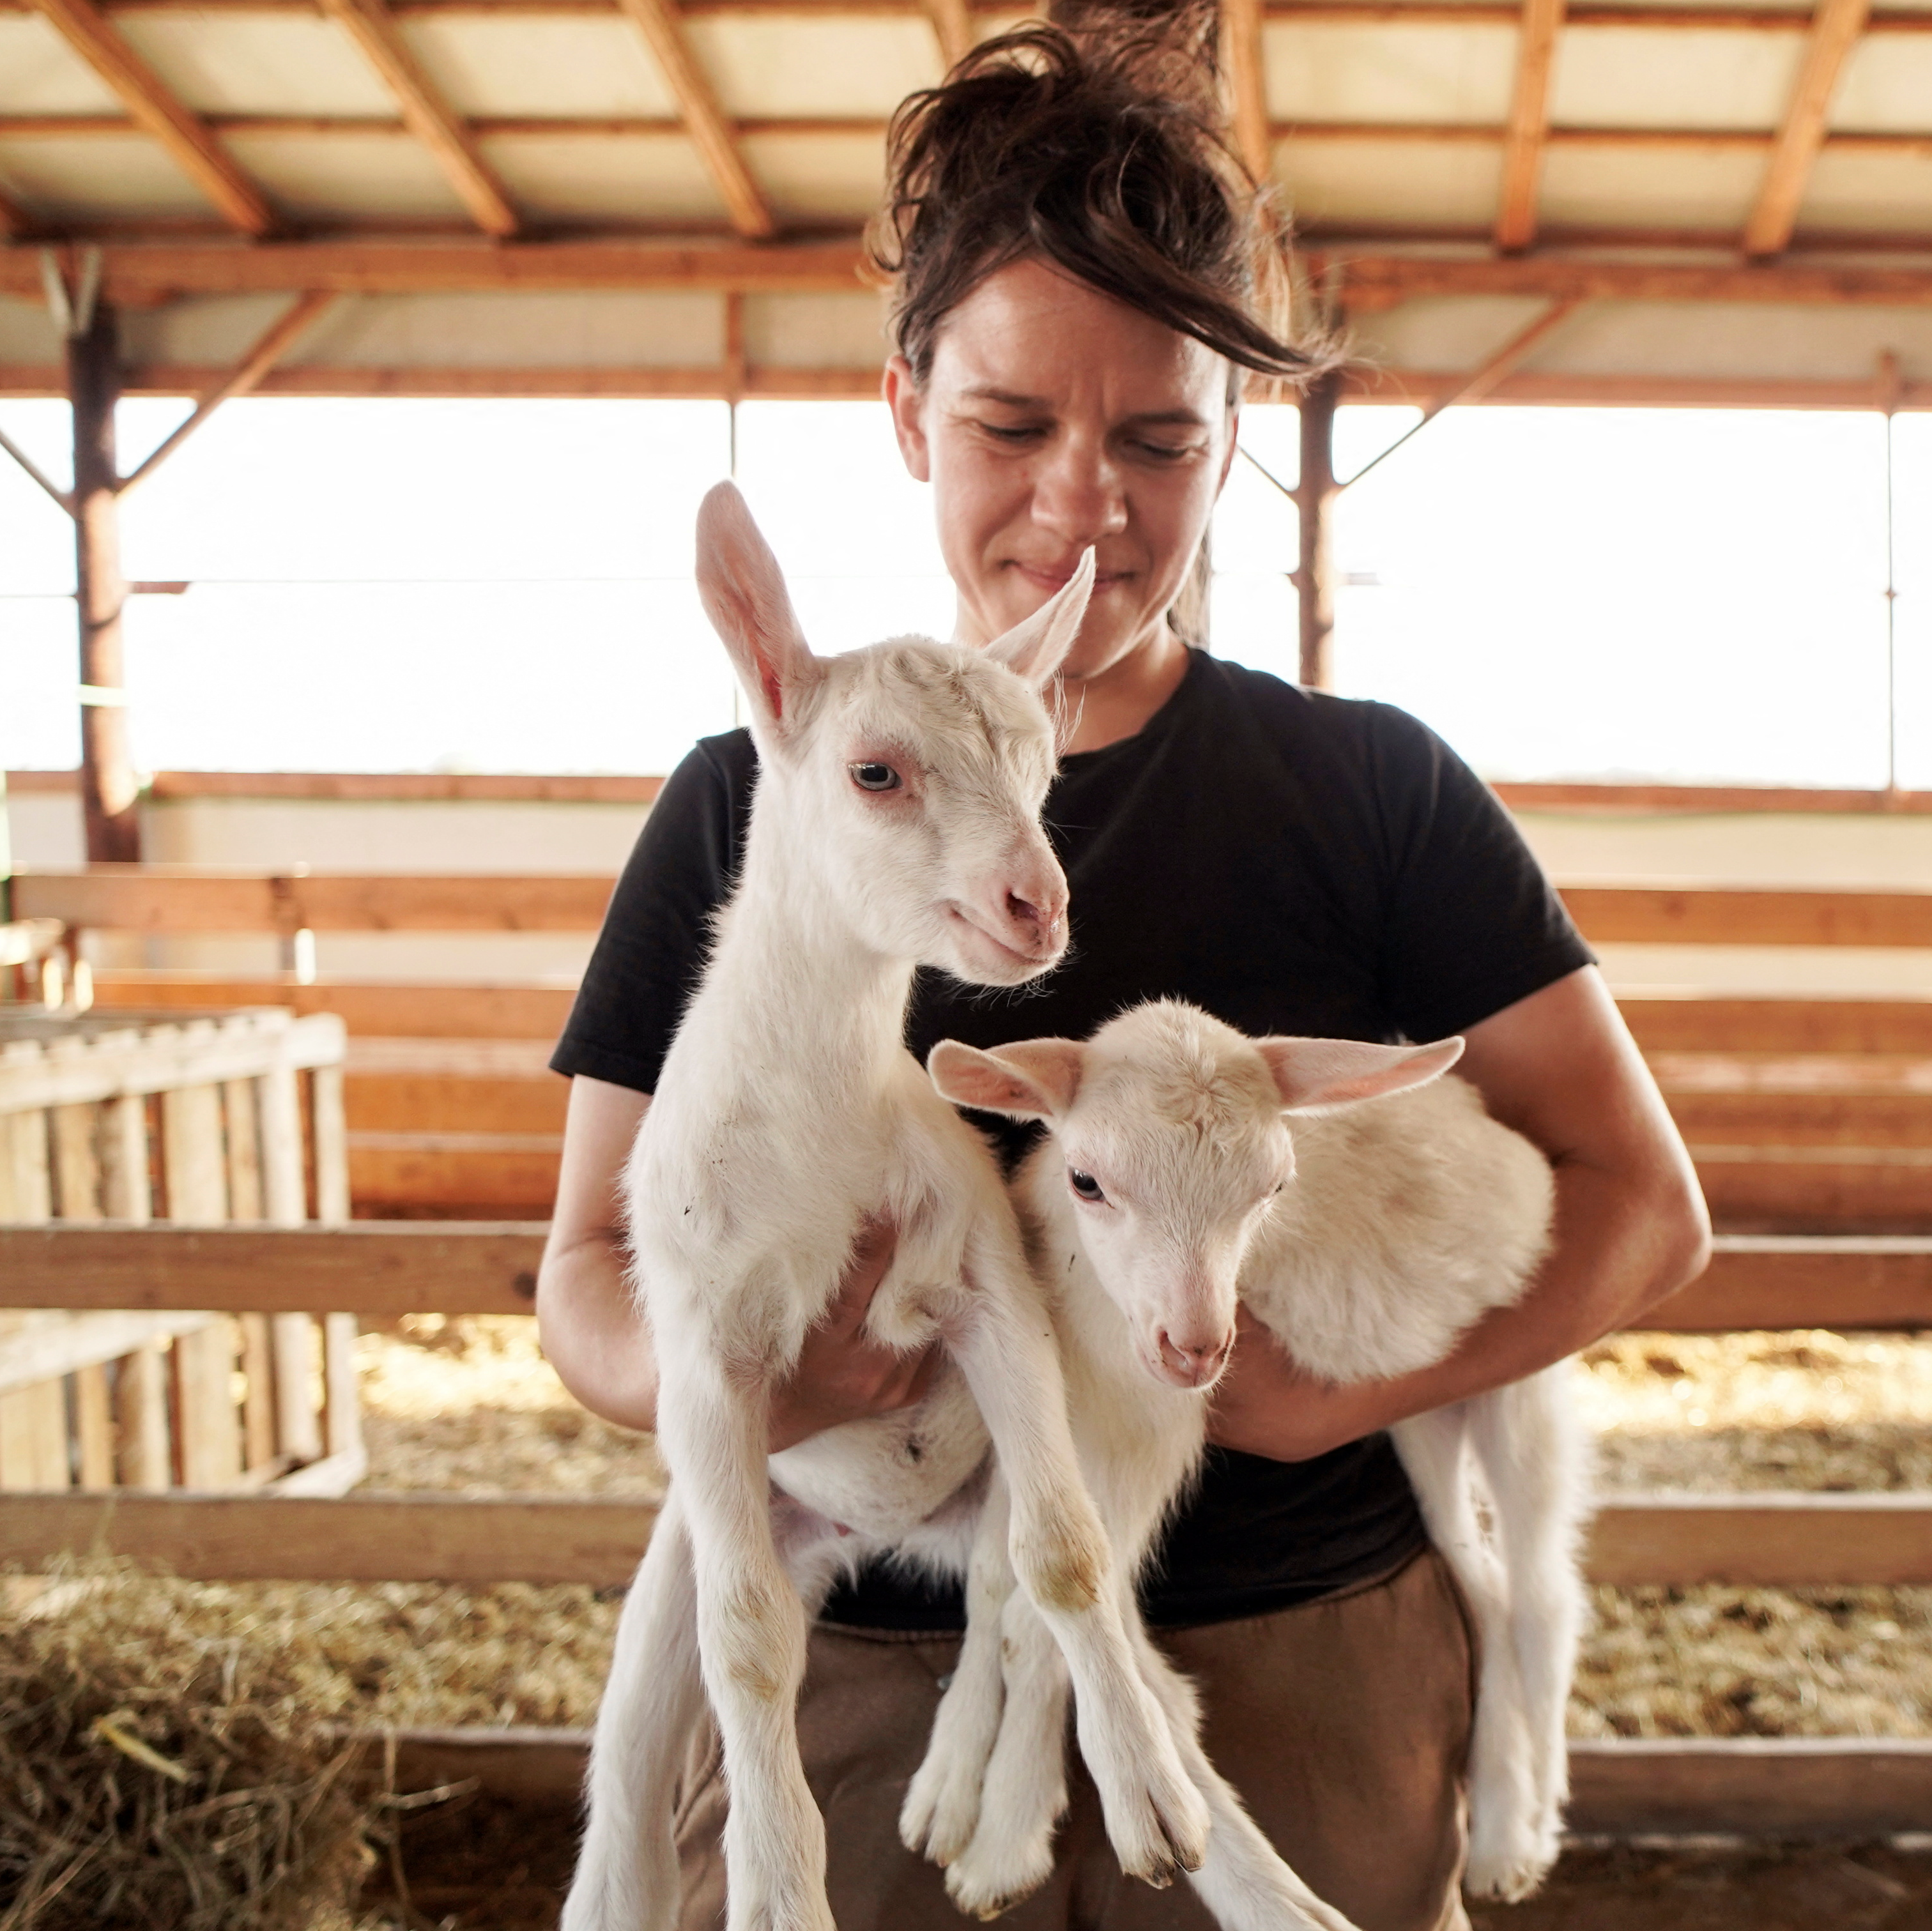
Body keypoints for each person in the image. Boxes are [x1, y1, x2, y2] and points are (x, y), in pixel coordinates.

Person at [533, 12, 1710, 1926]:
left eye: (1160, 439)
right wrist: (750, 1383)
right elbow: (588, 1272)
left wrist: (1337, 1396)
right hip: (869, 1675)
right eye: (1012, 428)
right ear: (905, 408)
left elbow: (1645, 1206)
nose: (1086, 505)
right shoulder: (754, 808)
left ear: (1231, 438)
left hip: (1292, 1659)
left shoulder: (1373, 794)